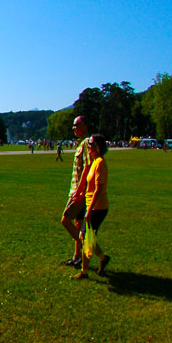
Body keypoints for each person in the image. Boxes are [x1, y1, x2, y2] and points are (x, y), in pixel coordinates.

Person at [73, 134, 111, 280]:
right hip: (92, 205)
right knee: (87, 237)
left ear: (98, 147)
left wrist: (89, 210)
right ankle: (102, 258)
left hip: (98, 208)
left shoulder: (100, 162)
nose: (88, 147)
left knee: (85, 236)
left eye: (91, 144)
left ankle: (85, 271)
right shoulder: (95, 162)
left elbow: (99, 189)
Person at [60, 116, 91, 268]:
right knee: (78, 224)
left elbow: (87, 167)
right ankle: (77, 256)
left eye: (76, 125)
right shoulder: (81, 143)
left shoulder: (87, 143)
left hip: (79, 192)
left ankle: (89, 249)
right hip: (76, 190)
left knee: (65, 220)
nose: (74, 128)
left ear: (84, 125)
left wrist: (79, 191)